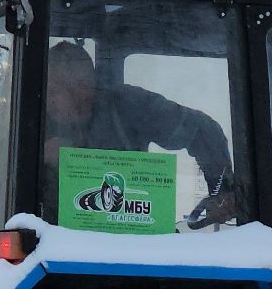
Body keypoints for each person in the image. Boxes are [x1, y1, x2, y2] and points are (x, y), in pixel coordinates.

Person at [42, 41, 237, 225]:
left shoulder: (127, 106)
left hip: (132, 231)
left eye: (53, 92)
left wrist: (221, 192)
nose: (47, 101)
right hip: (57, 241)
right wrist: (43, 160)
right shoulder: (34, 124)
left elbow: (202, 130)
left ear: (80, 88)